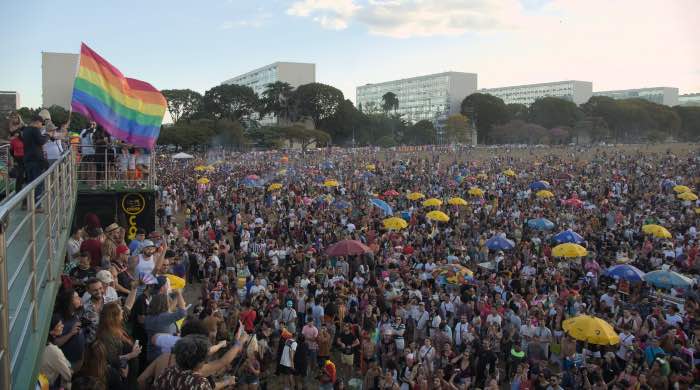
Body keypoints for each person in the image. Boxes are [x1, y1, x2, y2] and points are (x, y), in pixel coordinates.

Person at [152, 334, 236, 390]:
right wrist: (239, 343)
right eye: (204, 358)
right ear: (199, 362)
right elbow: (222, 362)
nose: (206, 361)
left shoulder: (167, 372)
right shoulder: (199, 383)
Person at [21, 115, 48, 209]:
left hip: (28, 159)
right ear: (37, 122)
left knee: (29, 183)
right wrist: (47, 136)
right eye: (41, 124)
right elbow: (41, 141)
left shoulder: (25, 130)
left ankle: (25, 204)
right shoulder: (35, 130)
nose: (41, 126)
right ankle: (37, 206)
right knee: (38, 184)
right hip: (36, 160)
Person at [40, 315, 73, 390]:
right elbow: (68, 375)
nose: (62, 326)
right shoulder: (54, 351)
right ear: (51, 331)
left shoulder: (42, 344)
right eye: (59, 325)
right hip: (49, 385)